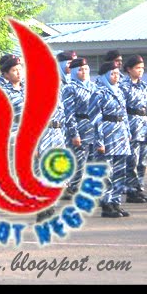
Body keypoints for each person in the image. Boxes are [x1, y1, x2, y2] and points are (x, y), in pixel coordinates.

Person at [89, 61, 132, 218]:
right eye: (112, 74)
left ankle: (116, 202)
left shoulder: (119, 92)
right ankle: (106, 203)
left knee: (120, 171)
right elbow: (95, 118)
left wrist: (127, 131)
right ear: (105, 75)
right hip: (107, 135)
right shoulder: (99, 93)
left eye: (117, 74)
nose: (116, 77)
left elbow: (124, 114)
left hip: (120, 134)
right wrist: (99, 141)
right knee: (107, 171)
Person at [62, 57, 96, 199]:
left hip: (93, 128)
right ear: (75, 71)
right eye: (80, 70)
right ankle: (72, 187)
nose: (84, 72)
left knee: (92, 160)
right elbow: (69, 113)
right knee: (78, 161)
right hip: (79, 127)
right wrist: (74, 133)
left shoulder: (93, 86)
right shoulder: (70, 88)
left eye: (86, 69)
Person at [121, 55, 147, 203]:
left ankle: (139, 189)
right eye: (137, 68)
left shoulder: (143, 86)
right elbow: (121, 110)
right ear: (129, 69)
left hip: (143, 127)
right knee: (132, 161)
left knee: (142, 161)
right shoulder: (123, 86)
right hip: (131, 127)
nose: (141, 71)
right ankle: (131, 190)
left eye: (142, 68)